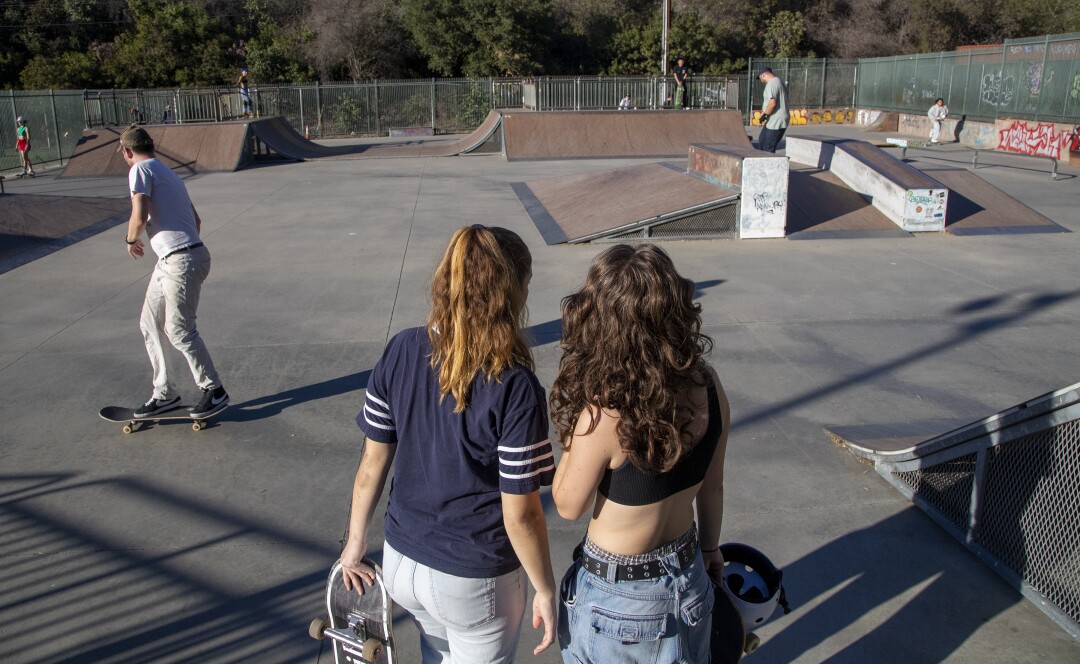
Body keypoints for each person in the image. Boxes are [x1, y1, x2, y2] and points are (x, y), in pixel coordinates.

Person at [340, 225, 558, 663]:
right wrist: (544, 587)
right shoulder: (514, 384)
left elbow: (372, 463)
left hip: (402, 560)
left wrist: (355, 541)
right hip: (474, 579)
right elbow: (522, 513)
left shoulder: (401, 349)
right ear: (510, 292)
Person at [550, 244, 730, 664]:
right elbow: (713, 485)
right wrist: (710, 550)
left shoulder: (606, 415)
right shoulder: (708, 385)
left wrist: (577, 427)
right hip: (688, 575)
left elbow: (567, 504)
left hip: (621, 599)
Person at [119, 125, 229, 420]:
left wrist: (131, 240)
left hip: (181, 260)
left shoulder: (139, 170)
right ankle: (164, 393)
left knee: (179, 330)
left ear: (128, 151)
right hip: (176, 258)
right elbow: (196, 219)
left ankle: (214, 389)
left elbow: (139, 215)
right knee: (149, 322)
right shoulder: (168, 173)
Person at [756, 66, 789, 153]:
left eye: (760, 78)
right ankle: (761, 163)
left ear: (763, 75)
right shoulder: (779, 82)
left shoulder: (772, 84)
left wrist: (764, 116)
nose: (761, 81)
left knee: (768, 147)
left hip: (776, 120)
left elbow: (772, 103)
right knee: (762, 140)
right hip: (773, 120)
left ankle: (768, 165)